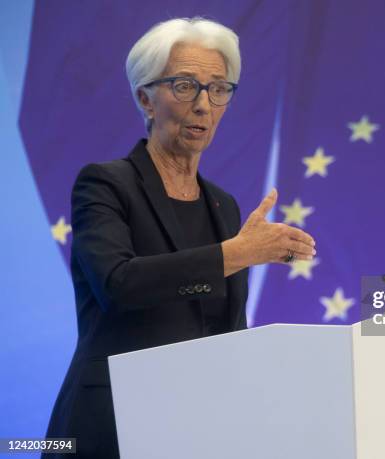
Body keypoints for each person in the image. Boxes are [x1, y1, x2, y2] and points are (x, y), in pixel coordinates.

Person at [43, 17, 316, 458]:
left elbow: (227, 329)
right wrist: (234, 254)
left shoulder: (223, 205)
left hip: (195, 429)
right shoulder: (106, 184)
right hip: (109, 426)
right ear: (145, 99)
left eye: (219, 89)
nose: (204, 105)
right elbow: (118, 285)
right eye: (185, 86)